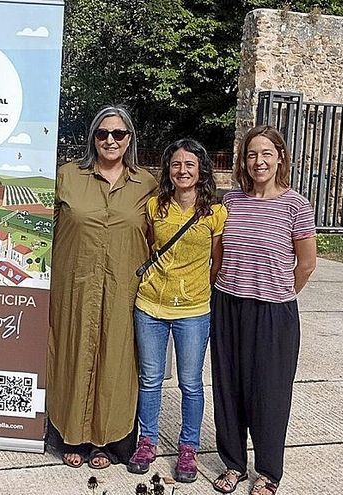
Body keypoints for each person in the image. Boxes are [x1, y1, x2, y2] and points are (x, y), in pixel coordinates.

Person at [48, 106, 157, 469]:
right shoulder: (67, 177)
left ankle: (108, 440)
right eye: (103, 133)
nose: (110, 140)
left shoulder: (147, 184)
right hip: (74, 287)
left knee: (117, 362)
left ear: (129, 140)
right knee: (72, 356)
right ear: (93, 137)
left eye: (119, 134)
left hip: (124, 290)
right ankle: (71, 436)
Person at [210, 126, 316, 494]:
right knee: (229, 388)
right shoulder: (230, 202)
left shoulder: (296, 205)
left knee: (269, 394)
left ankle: (268, 471)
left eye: (266, 154)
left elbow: (305, 265)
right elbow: (218, 253)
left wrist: (279, 291)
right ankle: (233, 464)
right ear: (244, 161)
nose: (259, 161)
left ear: (280, 158)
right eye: (252, 155)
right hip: (228, 305)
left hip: (274, 312)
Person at [126, 138, 226, 483]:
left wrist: (195, 287)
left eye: (189, 165)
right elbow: (150, 244)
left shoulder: (215, 212)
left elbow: (217, 261)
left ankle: (188, 447)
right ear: (168, 170)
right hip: (150, 304)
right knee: (150, 379)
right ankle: (147, 440)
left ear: (201, 171)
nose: (182, 171)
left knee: (191, 383)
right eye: (176, 165)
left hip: (193, 309)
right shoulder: (156, 207)